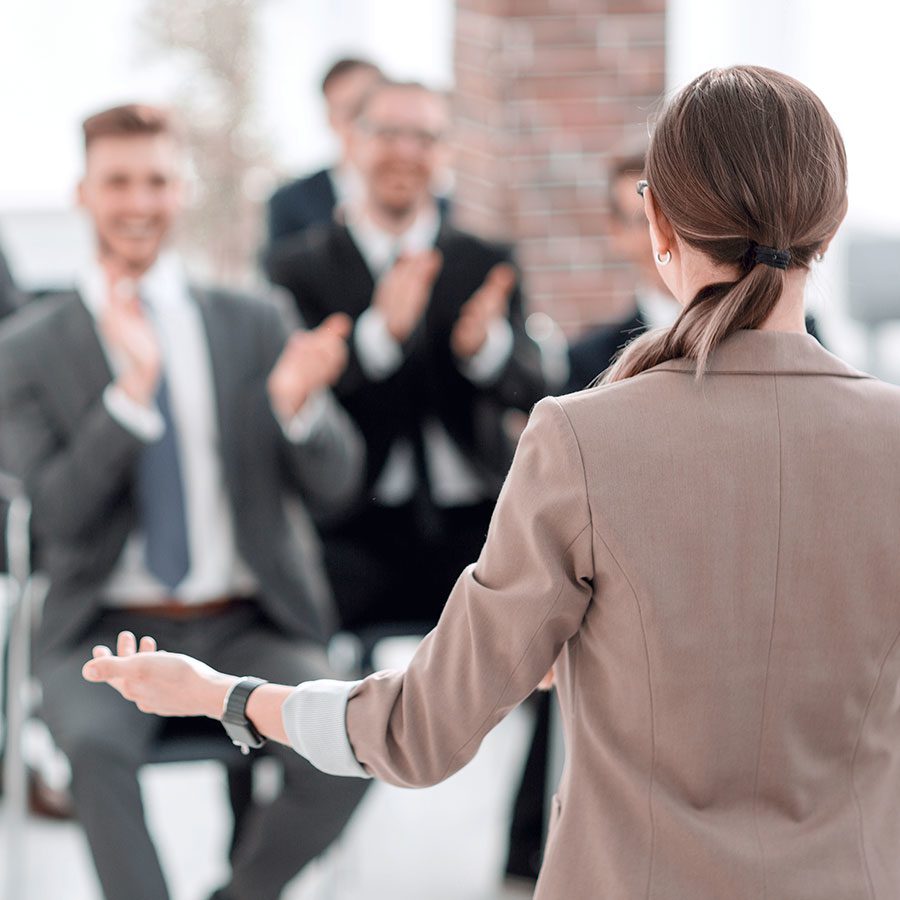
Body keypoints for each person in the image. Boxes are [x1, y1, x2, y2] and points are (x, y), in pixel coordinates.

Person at [84, 66, 900, 899]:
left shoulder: (583, 436)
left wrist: (223, 694)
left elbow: (416, 732)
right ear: (828, 226)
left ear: (657, 218)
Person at [0, 104, 369, 900]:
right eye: (119, 181)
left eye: (158, 181)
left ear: (184, 191)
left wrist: (299, 409)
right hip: (101, 629)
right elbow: (56, 519)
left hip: (247, 620)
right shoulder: (27, 347)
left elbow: (338, 488)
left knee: (351, 743)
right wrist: (129, 402)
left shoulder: (253, 319)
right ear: (82, 193)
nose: (139, 201)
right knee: (95, 750)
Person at [266, 79, 548, 634]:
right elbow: (292, 403)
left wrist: (484, 351)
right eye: (389, 133)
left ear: (445, 154)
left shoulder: (484, 260)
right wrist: (377, 341)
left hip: (477, 524)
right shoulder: (296, 269)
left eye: (424, 137)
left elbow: (535, 387)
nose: (405, 152)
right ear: (352, 141)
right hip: (352, 524)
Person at [266, 57, 383, 245]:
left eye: (370, 106)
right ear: (331, 119)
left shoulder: (435, 205)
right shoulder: (289, 204)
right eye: (350, 110)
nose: (363, 121)